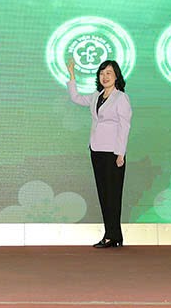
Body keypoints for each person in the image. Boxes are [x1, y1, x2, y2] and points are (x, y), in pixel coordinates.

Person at [65, 57, 133, 248]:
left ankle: (112, 235)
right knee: (104, 194)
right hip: (96, 150)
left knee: (113, 195)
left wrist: (120, 153)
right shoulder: (97, 95)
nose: (105, 77)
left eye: (109, 73)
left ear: (116, 76)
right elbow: (76, 98)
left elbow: (125, 126)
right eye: (102, 73)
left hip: (113, 153)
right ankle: (113, 235)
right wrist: (72, 75)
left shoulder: (121, 98)